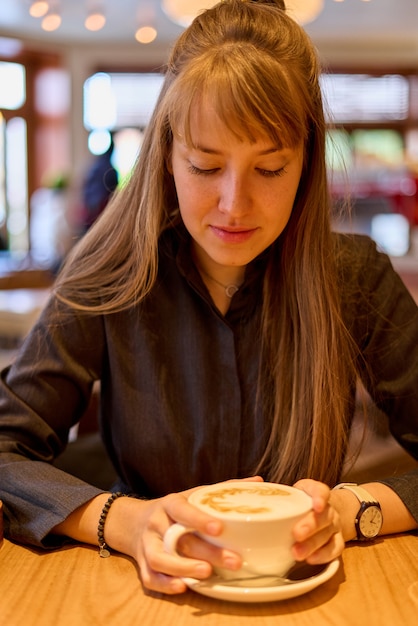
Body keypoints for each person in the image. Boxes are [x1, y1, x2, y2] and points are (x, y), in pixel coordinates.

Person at [0, 0, 417, 596]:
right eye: (204, 165)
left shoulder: (353, 277)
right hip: (138, 593)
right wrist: (122, 520)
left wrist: (353, 512)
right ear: (167, 156)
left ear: (306, 162)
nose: (233, 204)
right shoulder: (110, 274)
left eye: (270, 169)